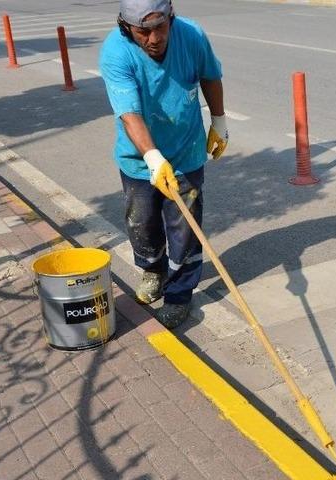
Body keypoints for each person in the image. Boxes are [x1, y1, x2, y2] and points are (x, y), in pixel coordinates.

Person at [99, 0, 228, 328]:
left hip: (186, 151)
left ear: (171, 17)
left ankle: (180, 294)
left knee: (185, 227)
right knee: (142, 223)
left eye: (161, 27)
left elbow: (210, 76)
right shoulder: (116, 52)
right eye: (144, 31)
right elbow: (129, 113)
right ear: (126, 27)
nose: (154, 38)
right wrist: (153, 158)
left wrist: (219, 120)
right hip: (139, 159)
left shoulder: (191, 35)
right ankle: (153, 271)